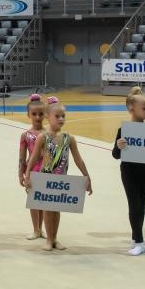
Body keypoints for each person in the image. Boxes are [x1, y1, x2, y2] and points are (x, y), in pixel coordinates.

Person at [25, 99, 92, 251]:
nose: (61, 119)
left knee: (57, 209)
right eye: (57, 116)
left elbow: (78, 160)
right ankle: (49, 239)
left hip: (61, 179)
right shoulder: (43, 137)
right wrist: (27, 175)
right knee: (48, 209)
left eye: (63, 116)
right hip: (45, 178)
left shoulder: (69, 138)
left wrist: (87, 177)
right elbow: (33, 158)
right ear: (48, 116)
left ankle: (55, 238)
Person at [112, 87, 145, 256]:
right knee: (135, 205)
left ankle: (135, 240)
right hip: (130, 173)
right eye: (144, 108)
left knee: (142, 207)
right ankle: (139, 242)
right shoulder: (124, 130)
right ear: (131, 108)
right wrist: (119, 146)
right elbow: (115, 155)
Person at [20, 93, 47, 241]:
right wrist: (21, 174)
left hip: (46, 171)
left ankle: (41, 229)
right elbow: (21, 157)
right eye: (34, 114)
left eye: (41, 114)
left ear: (46, 114)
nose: (38, 117)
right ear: (28, 115)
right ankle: (35, 229)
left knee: (43, 201)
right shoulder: (25, 135)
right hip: (32, 171)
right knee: (33, 201)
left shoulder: (49, 134)